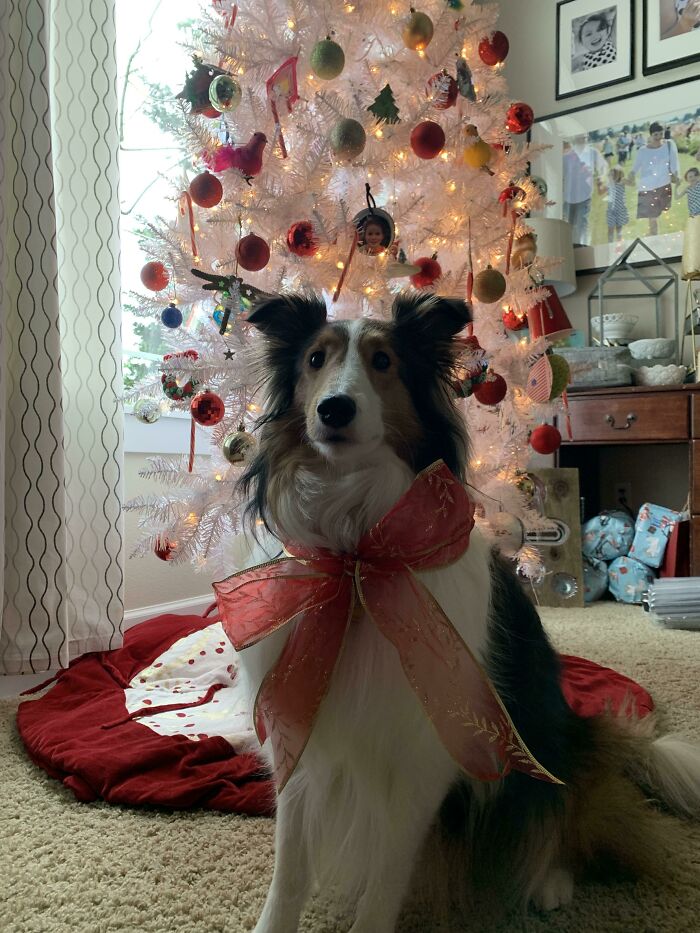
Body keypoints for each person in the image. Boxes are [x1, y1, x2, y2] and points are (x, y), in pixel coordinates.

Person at [628, 121, 680, 236]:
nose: (658, 137)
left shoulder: (669, 145)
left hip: (664, 186)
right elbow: (635, 167)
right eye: (655, 134)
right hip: (648, 188)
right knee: (653, 218)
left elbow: (674, 164)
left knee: (658, 215)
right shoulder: (643, 150)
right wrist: (630, 176)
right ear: (650, 135)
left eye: (660, 134)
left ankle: (652, 236)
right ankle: (654, 238)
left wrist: (677, 176)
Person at [562, 133, 608, 246]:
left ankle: (583, 247)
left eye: (585, 136)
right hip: (568, 195)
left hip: (584, 194)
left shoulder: (592, 153)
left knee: (582, 223)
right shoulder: (567, 155)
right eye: (580, 136)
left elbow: (603, 167)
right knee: (568, 224)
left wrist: (601, 177)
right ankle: (570, 247)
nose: (583, 138)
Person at [605, 167, 633, 242]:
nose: (609, 176)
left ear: (616, 175)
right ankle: (610, 244)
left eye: (611, 174)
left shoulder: (621, 182)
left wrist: (626, 177)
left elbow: (631, 183)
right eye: (609, 175)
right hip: (611, 209)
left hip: (620, 208)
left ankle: (618, 244)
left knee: (619, 228)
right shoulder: (609, 184)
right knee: (610, 228)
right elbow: (607, 194)